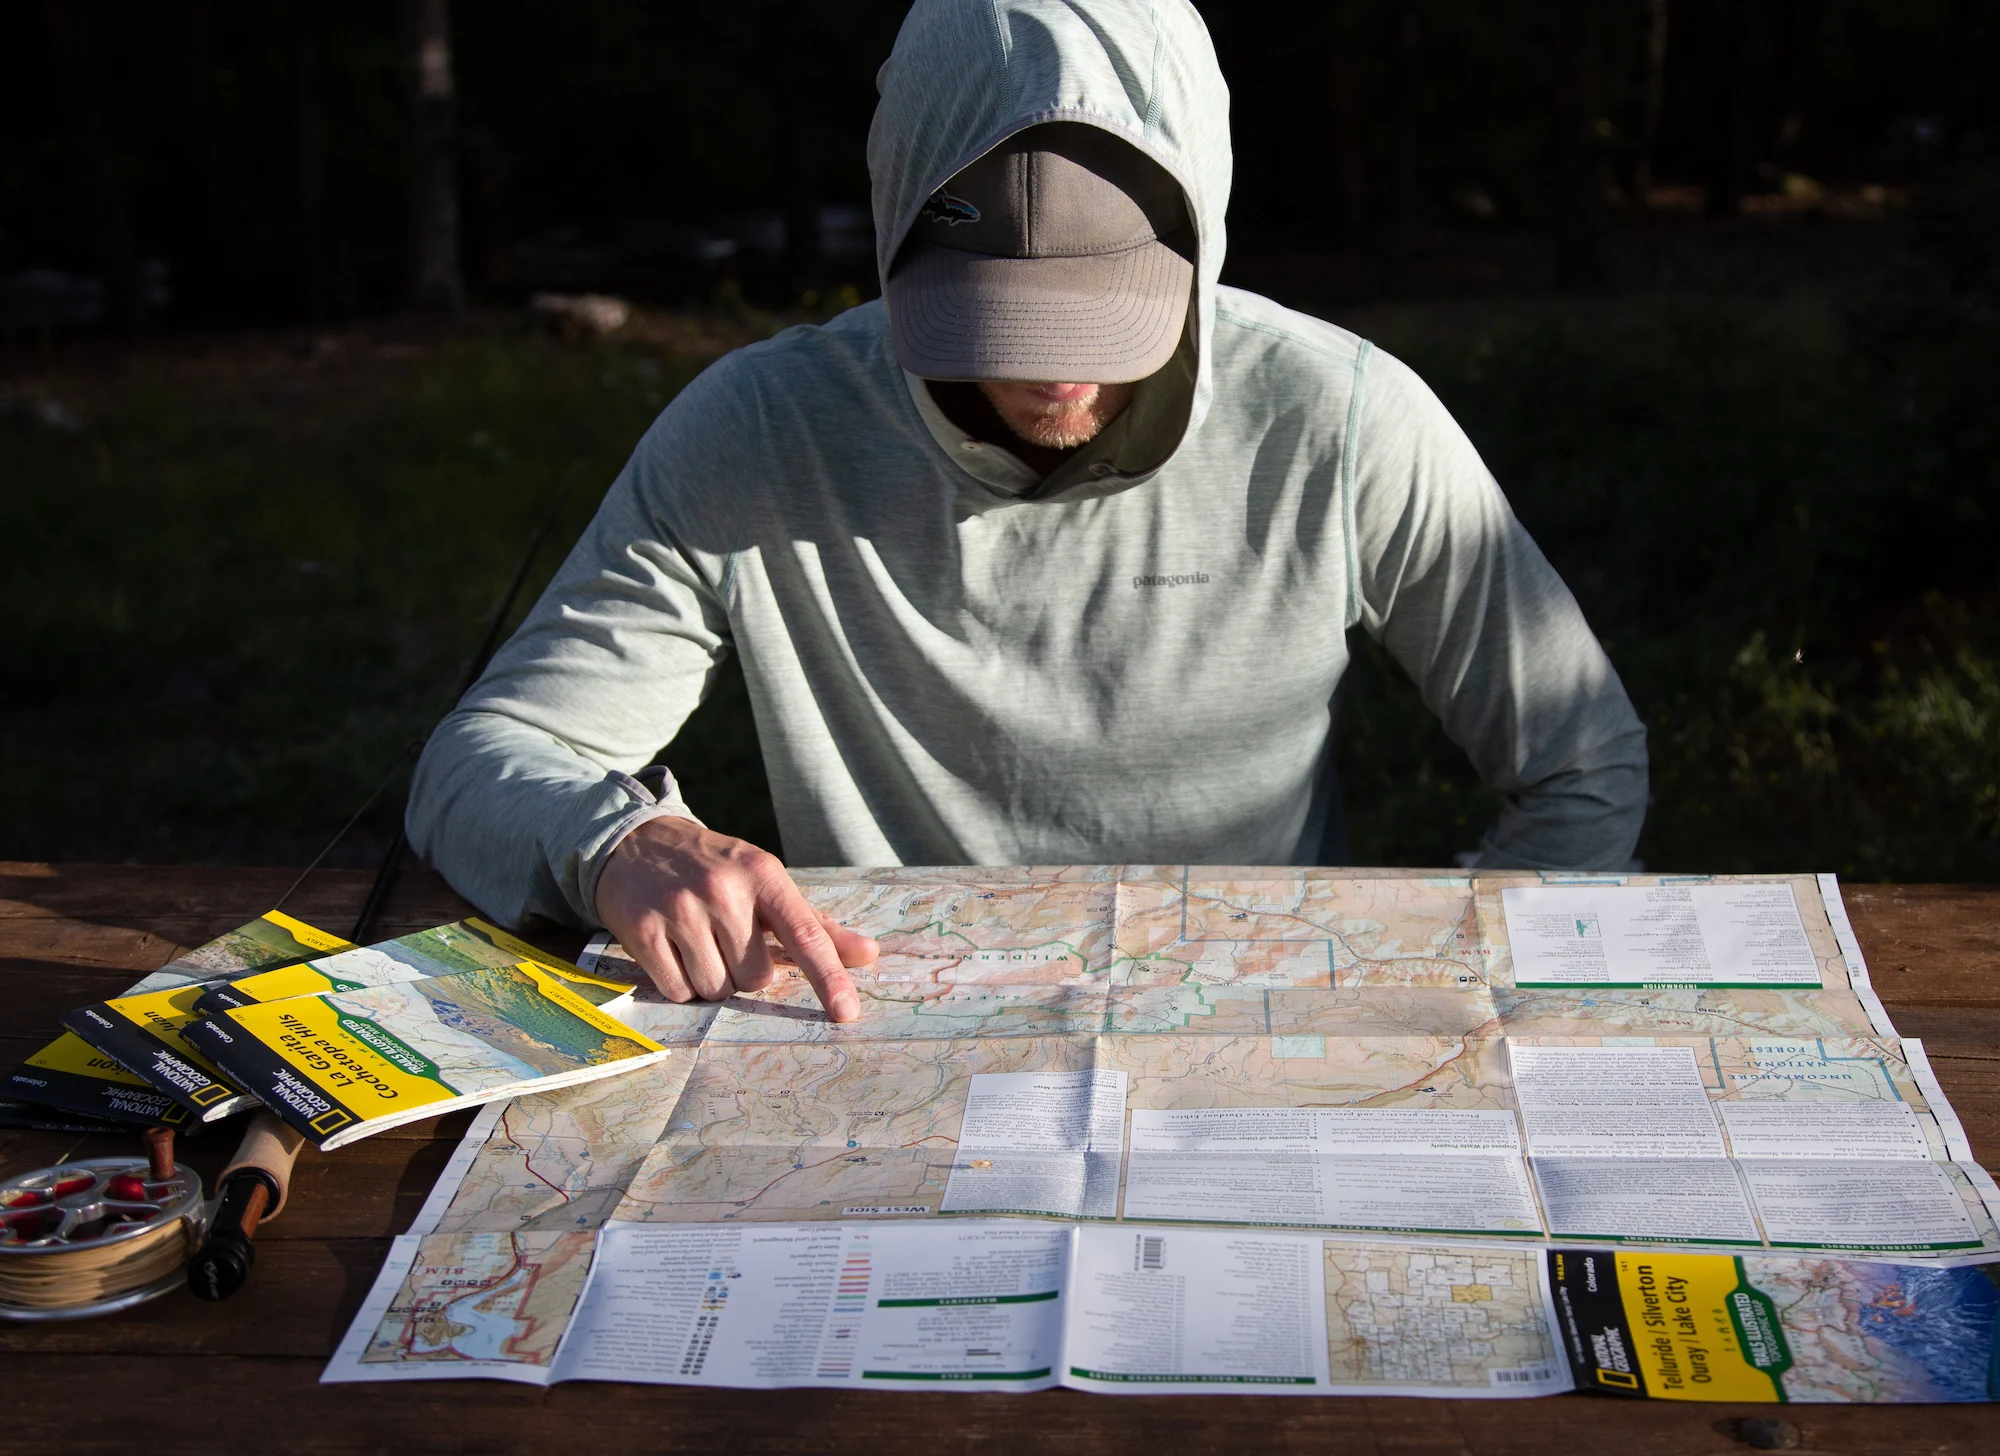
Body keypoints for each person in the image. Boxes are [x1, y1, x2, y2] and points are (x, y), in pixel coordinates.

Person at [407, 0, 1648, 1023]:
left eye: (1107, 310)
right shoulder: (755, 432)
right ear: (901, 234)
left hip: (1241, 1025)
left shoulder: (1340, 419)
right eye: (998, 311)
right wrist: (613, 841)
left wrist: (1444, 995)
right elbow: (474, 768)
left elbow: (1581, 761)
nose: (1063, 374)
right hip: (876, 1035)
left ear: (1200, 236)